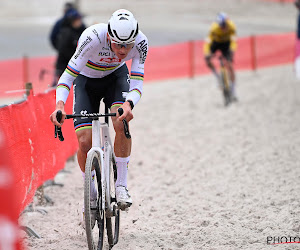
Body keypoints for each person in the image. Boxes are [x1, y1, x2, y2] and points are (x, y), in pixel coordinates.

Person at [50, 9, 148, 213]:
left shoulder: (141, 43)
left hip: (116, 78)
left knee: (121, 122)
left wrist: (129, 103)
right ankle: (92, 191)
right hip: (86, 82)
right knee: (84, 141)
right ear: (109, 36)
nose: (123, 50)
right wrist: (59, 105)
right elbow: (68, 76)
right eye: (118, 44)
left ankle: (121, 186)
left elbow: (137, 83)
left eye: (127, 45)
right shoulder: (92, 37)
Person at [203, 12, 237, 100]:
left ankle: (233, 91)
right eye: (221, 26)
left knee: (230, 66)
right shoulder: (214, 28)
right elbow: (207, 42)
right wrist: (207, 54)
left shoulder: (232, 26)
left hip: (226, 44)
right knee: (207, 60)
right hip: (216, 43)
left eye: (224, 26)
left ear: (227, 23)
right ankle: (217, 77)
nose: (223, 28)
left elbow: (234, 40)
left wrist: (232, 50)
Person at [54, 9, 86, 86]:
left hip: (77, 66)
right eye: (77, 20)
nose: (80, 22)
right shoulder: (66, 32)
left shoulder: (81, 30)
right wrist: (78, 56)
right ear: (72, 21)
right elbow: (63, 49)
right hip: (65, 66)